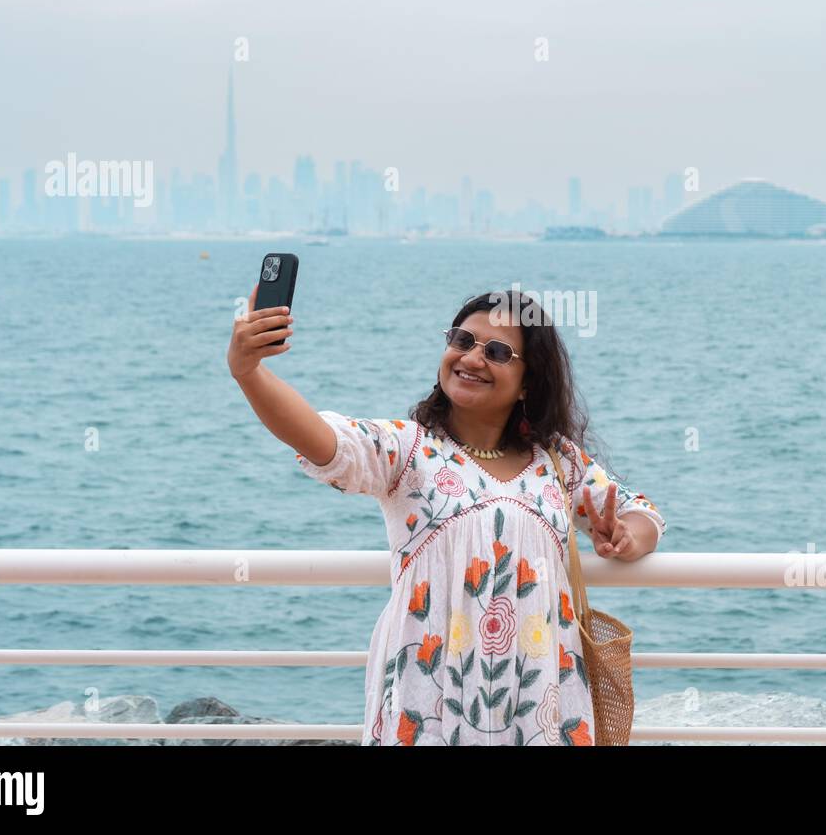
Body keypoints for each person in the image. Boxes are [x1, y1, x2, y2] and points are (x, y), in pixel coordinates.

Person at [228, 286, 666, 745]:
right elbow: (321, 439)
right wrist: (248, 372)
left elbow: (640, 512)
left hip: (541, 699)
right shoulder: (409, 449)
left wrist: (627, 537)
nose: (472, 359)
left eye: (496, 352)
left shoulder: (556, 460)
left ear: (529, 382)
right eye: (461, 340)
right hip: (431, 698)